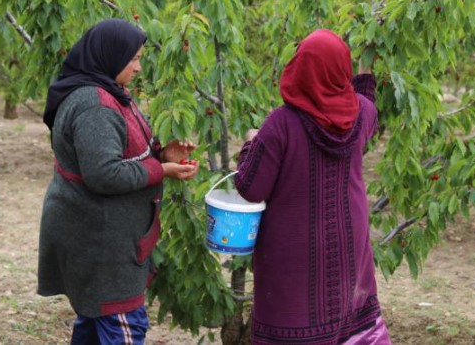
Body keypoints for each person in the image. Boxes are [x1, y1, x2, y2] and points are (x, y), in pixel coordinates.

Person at [37, 18, 199, 345]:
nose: (139, 67)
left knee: (95, 323)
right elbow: (104, 174)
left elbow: (121, 152)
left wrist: (162, 154)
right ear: (110, 55)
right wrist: (161, 171)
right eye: (134, 58)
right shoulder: (95, 104)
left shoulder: (110, 93)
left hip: (100, 237)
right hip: (100, 243)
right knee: (123, 324)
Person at [234, 29, 391, 345]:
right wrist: (365, 71)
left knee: (293, 320)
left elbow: (250, 187)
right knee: (348, 319)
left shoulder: (281, 125)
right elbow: (368, 103)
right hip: (348, 246)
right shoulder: (359, 114)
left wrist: (250, 144)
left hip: (293, 254)